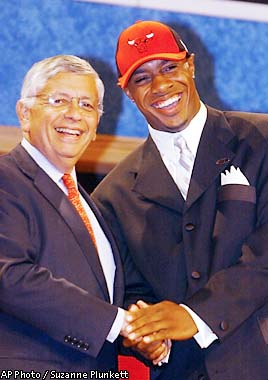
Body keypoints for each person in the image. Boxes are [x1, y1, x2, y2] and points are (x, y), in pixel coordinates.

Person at [92, 20, 268, 380]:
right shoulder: (111, 195)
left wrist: (194, 316)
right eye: (141, 78)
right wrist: (146, 335)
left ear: (190, 65)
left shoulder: (262, 139)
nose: (160, 86)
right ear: (127, 92)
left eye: (169, 67)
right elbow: (127, 291)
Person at [0, 54, 167, 374]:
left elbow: (112, 300)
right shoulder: (6, 180)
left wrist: (146, 333)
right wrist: (119, 323)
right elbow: (9, 276)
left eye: (87, 105)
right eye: (59, 100)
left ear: (95, 128)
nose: (74, 114)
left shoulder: (94, 208)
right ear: (24, 114)